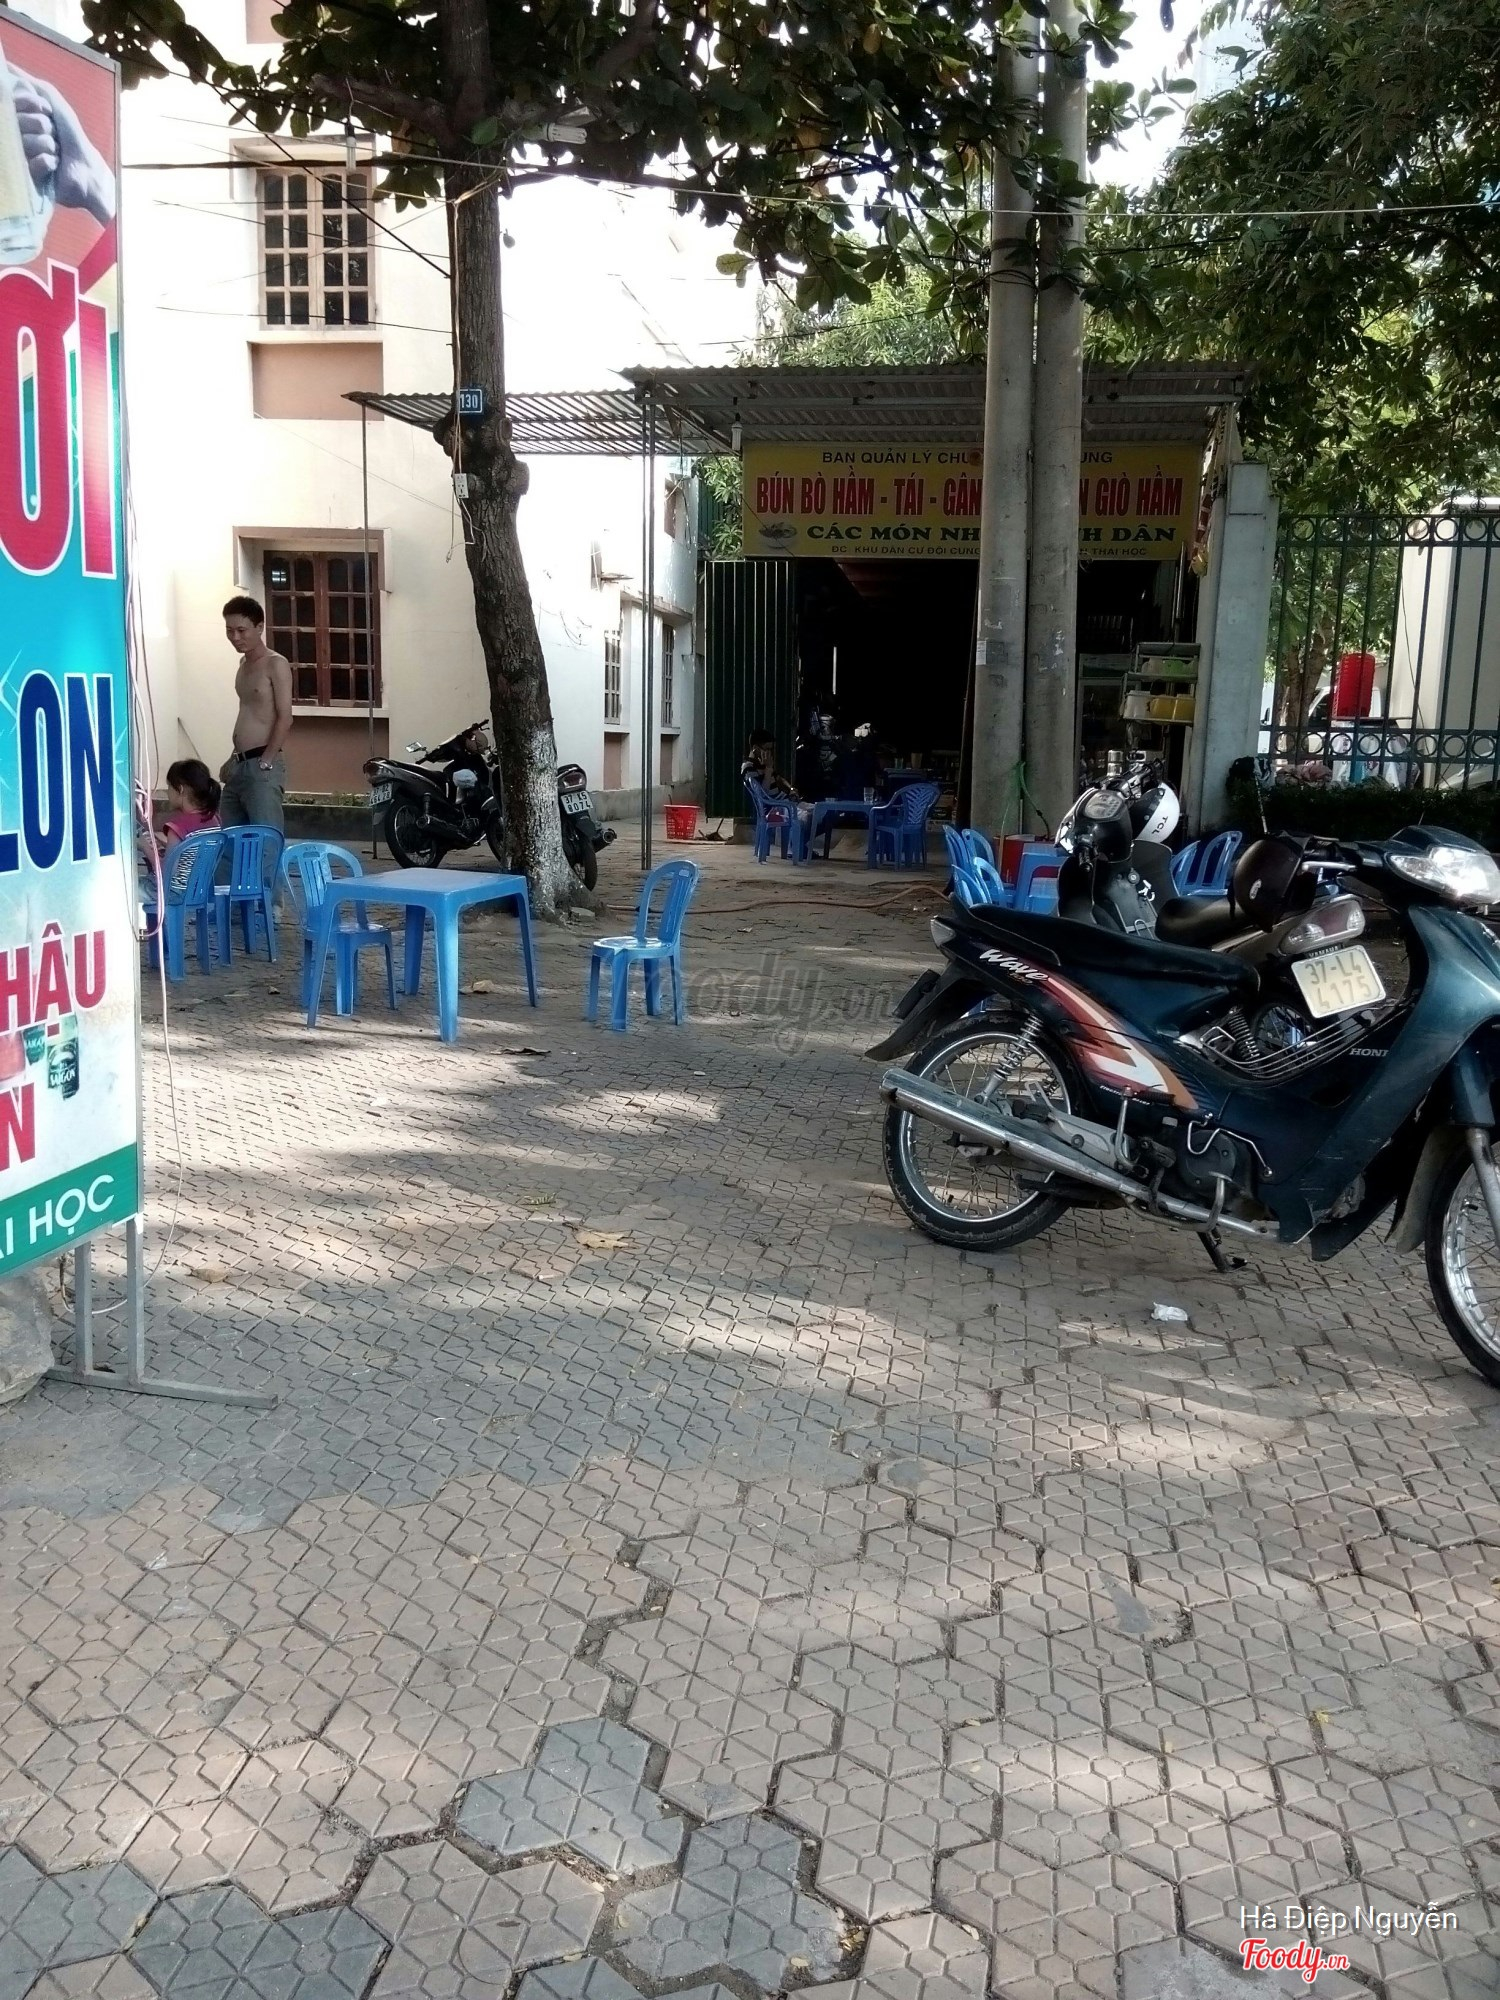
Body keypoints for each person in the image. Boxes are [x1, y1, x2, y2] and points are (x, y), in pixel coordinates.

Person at [219, 595, 293, 831]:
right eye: (230, 631)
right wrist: (233, 757)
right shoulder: (243, 664)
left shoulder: (275, 663)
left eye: (242, 630)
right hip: (239, 763)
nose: (235, 637)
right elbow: (248, 713)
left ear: (259, 627)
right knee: (231, 837)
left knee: (264, 839)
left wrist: (266, 761)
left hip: (262, 763)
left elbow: (285, 717)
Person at [740, 728, 799, 801]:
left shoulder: (762, 763)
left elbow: (779, 778)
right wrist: (768, 768)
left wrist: (791, 788)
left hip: (785, 800)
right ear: (755, 748)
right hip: (776, 805)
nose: (769, 752)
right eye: (767, 749)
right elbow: (762, 795)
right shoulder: (748, 767)